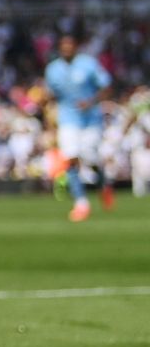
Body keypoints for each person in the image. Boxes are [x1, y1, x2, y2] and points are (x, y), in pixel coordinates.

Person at [45, 29, 113, 222]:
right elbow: (51, 96)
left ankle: (103, 184)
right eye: (63, 46)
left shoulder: (88, 64)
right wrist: (49, 121)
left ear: (75, 47)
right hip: (68, 119)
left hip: (91, 119)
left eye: (70, 45)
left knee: (90, 157)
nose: (67, 49)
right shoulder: (53, 69)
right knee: (70, 158)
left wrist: (90, 102)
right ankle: (81, 203)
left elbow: (106, 86)